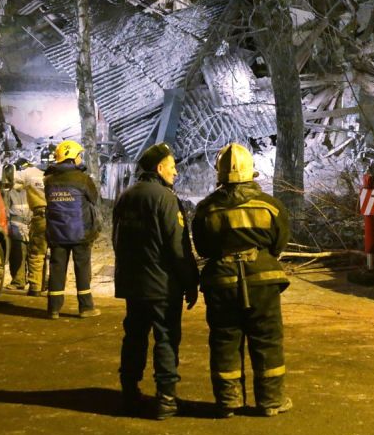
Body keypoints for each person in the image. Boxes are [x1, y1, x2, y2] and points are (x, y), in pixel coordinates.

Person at [192, 143, 291, 418]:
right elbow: (278, 243)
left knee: (224, 340)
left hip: (221, 284)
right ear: (251, 173)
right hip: (263, 282)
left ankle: (228, 401)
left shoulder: (206, 210)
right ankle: (271, 401)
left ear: (220, 175)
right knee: (267, 339)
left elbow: (203, 249)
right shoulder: (270, 206)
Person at [113, 143, 199, 420]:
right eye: (172, 166)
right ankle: (166, 399)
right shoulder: (165, 198)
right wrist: (190, 281)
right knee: (166, 339)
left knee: (134, 337)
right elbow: (177, 247)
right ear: (160, 168)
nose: (176, 171)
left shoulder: (125, 196)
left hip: (133, 285)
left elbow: (116, 241)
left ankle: (129, 392)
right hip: (162, 286)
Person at [43, 140, 101, 320]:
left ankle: (53, 309)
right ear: (72, 157)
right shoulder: (83, 179)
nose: (80, 158)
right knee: (82, 269)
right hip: (80, 232)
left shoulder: (49, 181)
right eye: (79, 155)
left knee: (57, 269)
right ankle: (85, 307)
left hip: (57, 233)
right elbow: (94, 198)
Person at [14, 158, 48, 297]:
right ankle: (55, 287)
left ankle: (35, 286)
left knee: (37, 252)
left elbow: (12, 180)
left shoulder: (30, 173)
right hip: (63, 219)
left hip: (41, 217)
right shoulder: (66, 174)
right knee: (59, 254)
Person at [5, 159, 33, 291]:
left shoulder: (30, 190)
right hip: (17, 227)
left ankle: (35, 282)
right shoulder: (9, 192)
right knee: (18, 254)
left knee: (33, 255)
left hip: (30, 226)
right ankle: (19, 281)